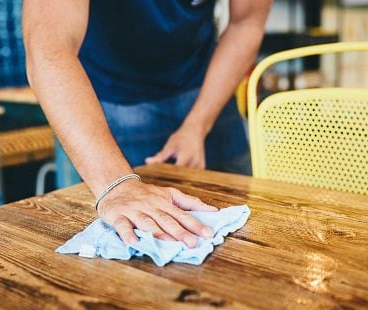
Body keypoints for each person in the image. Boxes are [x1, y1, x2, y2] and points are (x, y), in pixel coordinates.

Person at [23, 1, 271, 248]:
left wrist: (197, 126)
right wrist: (116, 185)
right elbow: (49, 48)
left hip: (208, 87)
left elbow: (246, 23)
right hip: (109, 99)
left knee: (244, 241)